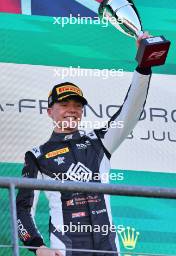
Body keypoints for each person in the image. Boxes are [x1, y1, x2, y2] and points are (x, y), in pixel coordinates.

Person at [16, 33, 152, 256]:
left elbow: (131, 110)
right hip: (65, 248)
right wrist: (37, 247)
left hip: (108, 248)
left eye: (77, 105)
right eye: (64, 104)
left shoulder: (100, 142)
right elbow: (22, 209)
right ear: (50, 112)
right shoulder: (37, 156)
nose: (71, 109)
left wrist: (144, 67)